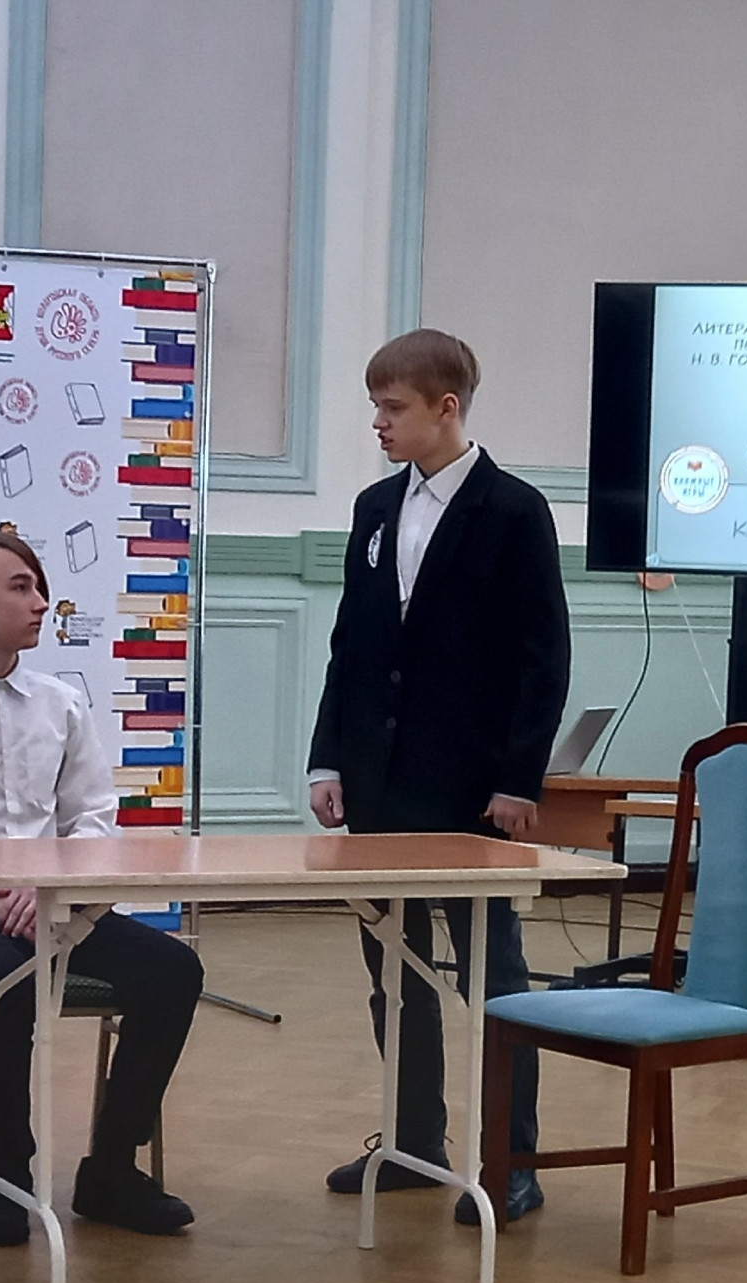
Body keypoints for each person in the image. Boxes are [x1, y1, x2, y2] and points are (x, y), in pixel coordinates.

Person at [307, 329, 571, 1226]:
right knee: (394, 968)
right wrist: (329, 756)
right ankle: (415, 1141)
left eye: (393, 408)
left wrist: (519, 779)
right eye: (375, 408)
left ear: (445, 408)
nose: (378, 423)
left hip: (472, 790)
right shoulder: (375, 507)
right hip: (380, 784)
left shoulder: (514, 509)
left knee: (494, 974)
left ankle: (513, 1159)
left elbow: (544, 658)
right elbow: (352, 643)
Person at [0, 532, 203, 1247]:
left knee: (174, 970)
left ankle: (110, 1169)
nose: (40, 603)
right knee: (7, 982)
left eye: (40, 587)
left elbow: (92, 820)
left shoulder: (62, 703)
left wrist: (48, 884)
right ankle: (6, 1175)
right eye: (20, 587)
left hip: (53, 906)